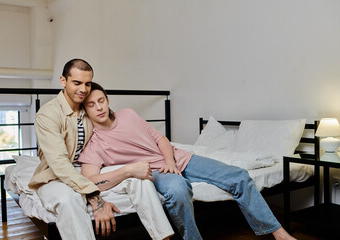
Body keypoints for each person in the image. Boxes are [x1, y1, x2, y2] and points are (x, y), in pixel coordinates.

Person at [79, 82, 297, 240]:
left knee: (238, 176)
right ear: (85, 110)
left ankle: (278, 233)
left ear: (108, 101)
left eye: (101, 101)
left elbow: (160, 138)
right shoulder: (93, 143)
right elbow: (89, 180)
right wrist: (128, 172)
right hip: (153, 173)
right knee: (179, 190)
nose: (99, 107)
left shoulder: (127, 114)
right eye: (91, 104)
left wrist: (170, 161)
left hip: (177, 158)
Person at [28, 59, 119, 240]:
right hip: (53, 177)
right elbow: (59, 164)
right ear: (64, 81)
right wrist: (95, 198)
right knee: (69, 200)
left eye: (87, 83)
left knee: (137, 180)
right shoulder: (48, 114)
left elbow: (113, 131)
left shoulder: (90, 108)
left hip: (87, 170)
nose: (83, 89)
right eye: (77, 83)